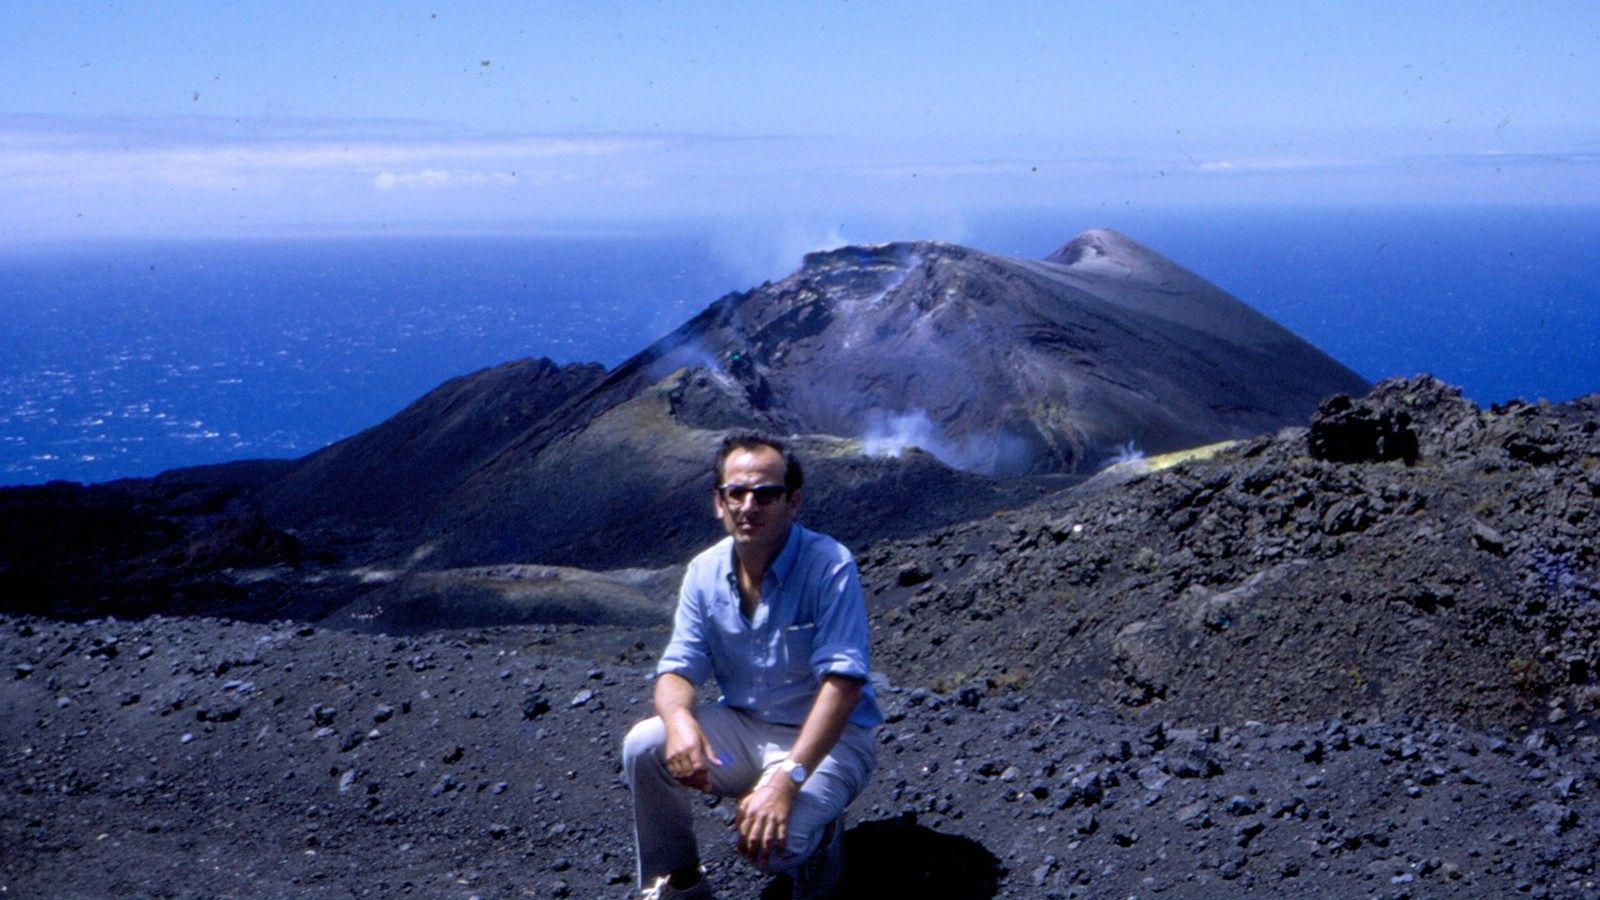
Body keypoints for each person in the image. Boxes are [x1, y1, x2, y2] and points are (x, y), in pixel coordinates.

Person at [622, 433, 882, 899]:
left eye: (766, 494)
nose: (749, 506)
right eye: (735, 493)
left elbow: (843, 685)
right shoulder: (704, 573)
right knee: (645, 744)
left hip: (829, 742)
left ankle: (821, 839)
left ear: (793, 502)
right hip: (745, 728)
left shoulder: (829, 566)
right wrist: (679, 720)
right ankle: (680, 881)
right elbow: (678, 668)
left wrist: (786, 781)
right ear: (718, 503)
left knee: (771, 848)